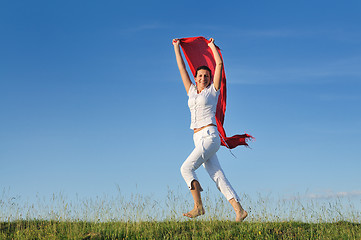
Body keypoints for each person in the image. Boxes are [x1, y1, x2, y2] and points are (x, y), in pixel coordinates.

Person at [172, 37, 248, 222]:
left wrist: (211, 46)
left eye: (206, 76)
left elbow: (219, 64)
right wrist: (177, 48)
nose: (203, 78)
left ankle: (198, 207)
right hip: (198, 137)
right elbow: (182, 68)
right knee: (217, 175)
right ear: (196, 78)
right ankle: (239, 210)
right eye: (200, 76)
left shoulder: (212, 91)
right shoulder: (191, 90)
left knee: (186, 168)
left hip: (209, 136)